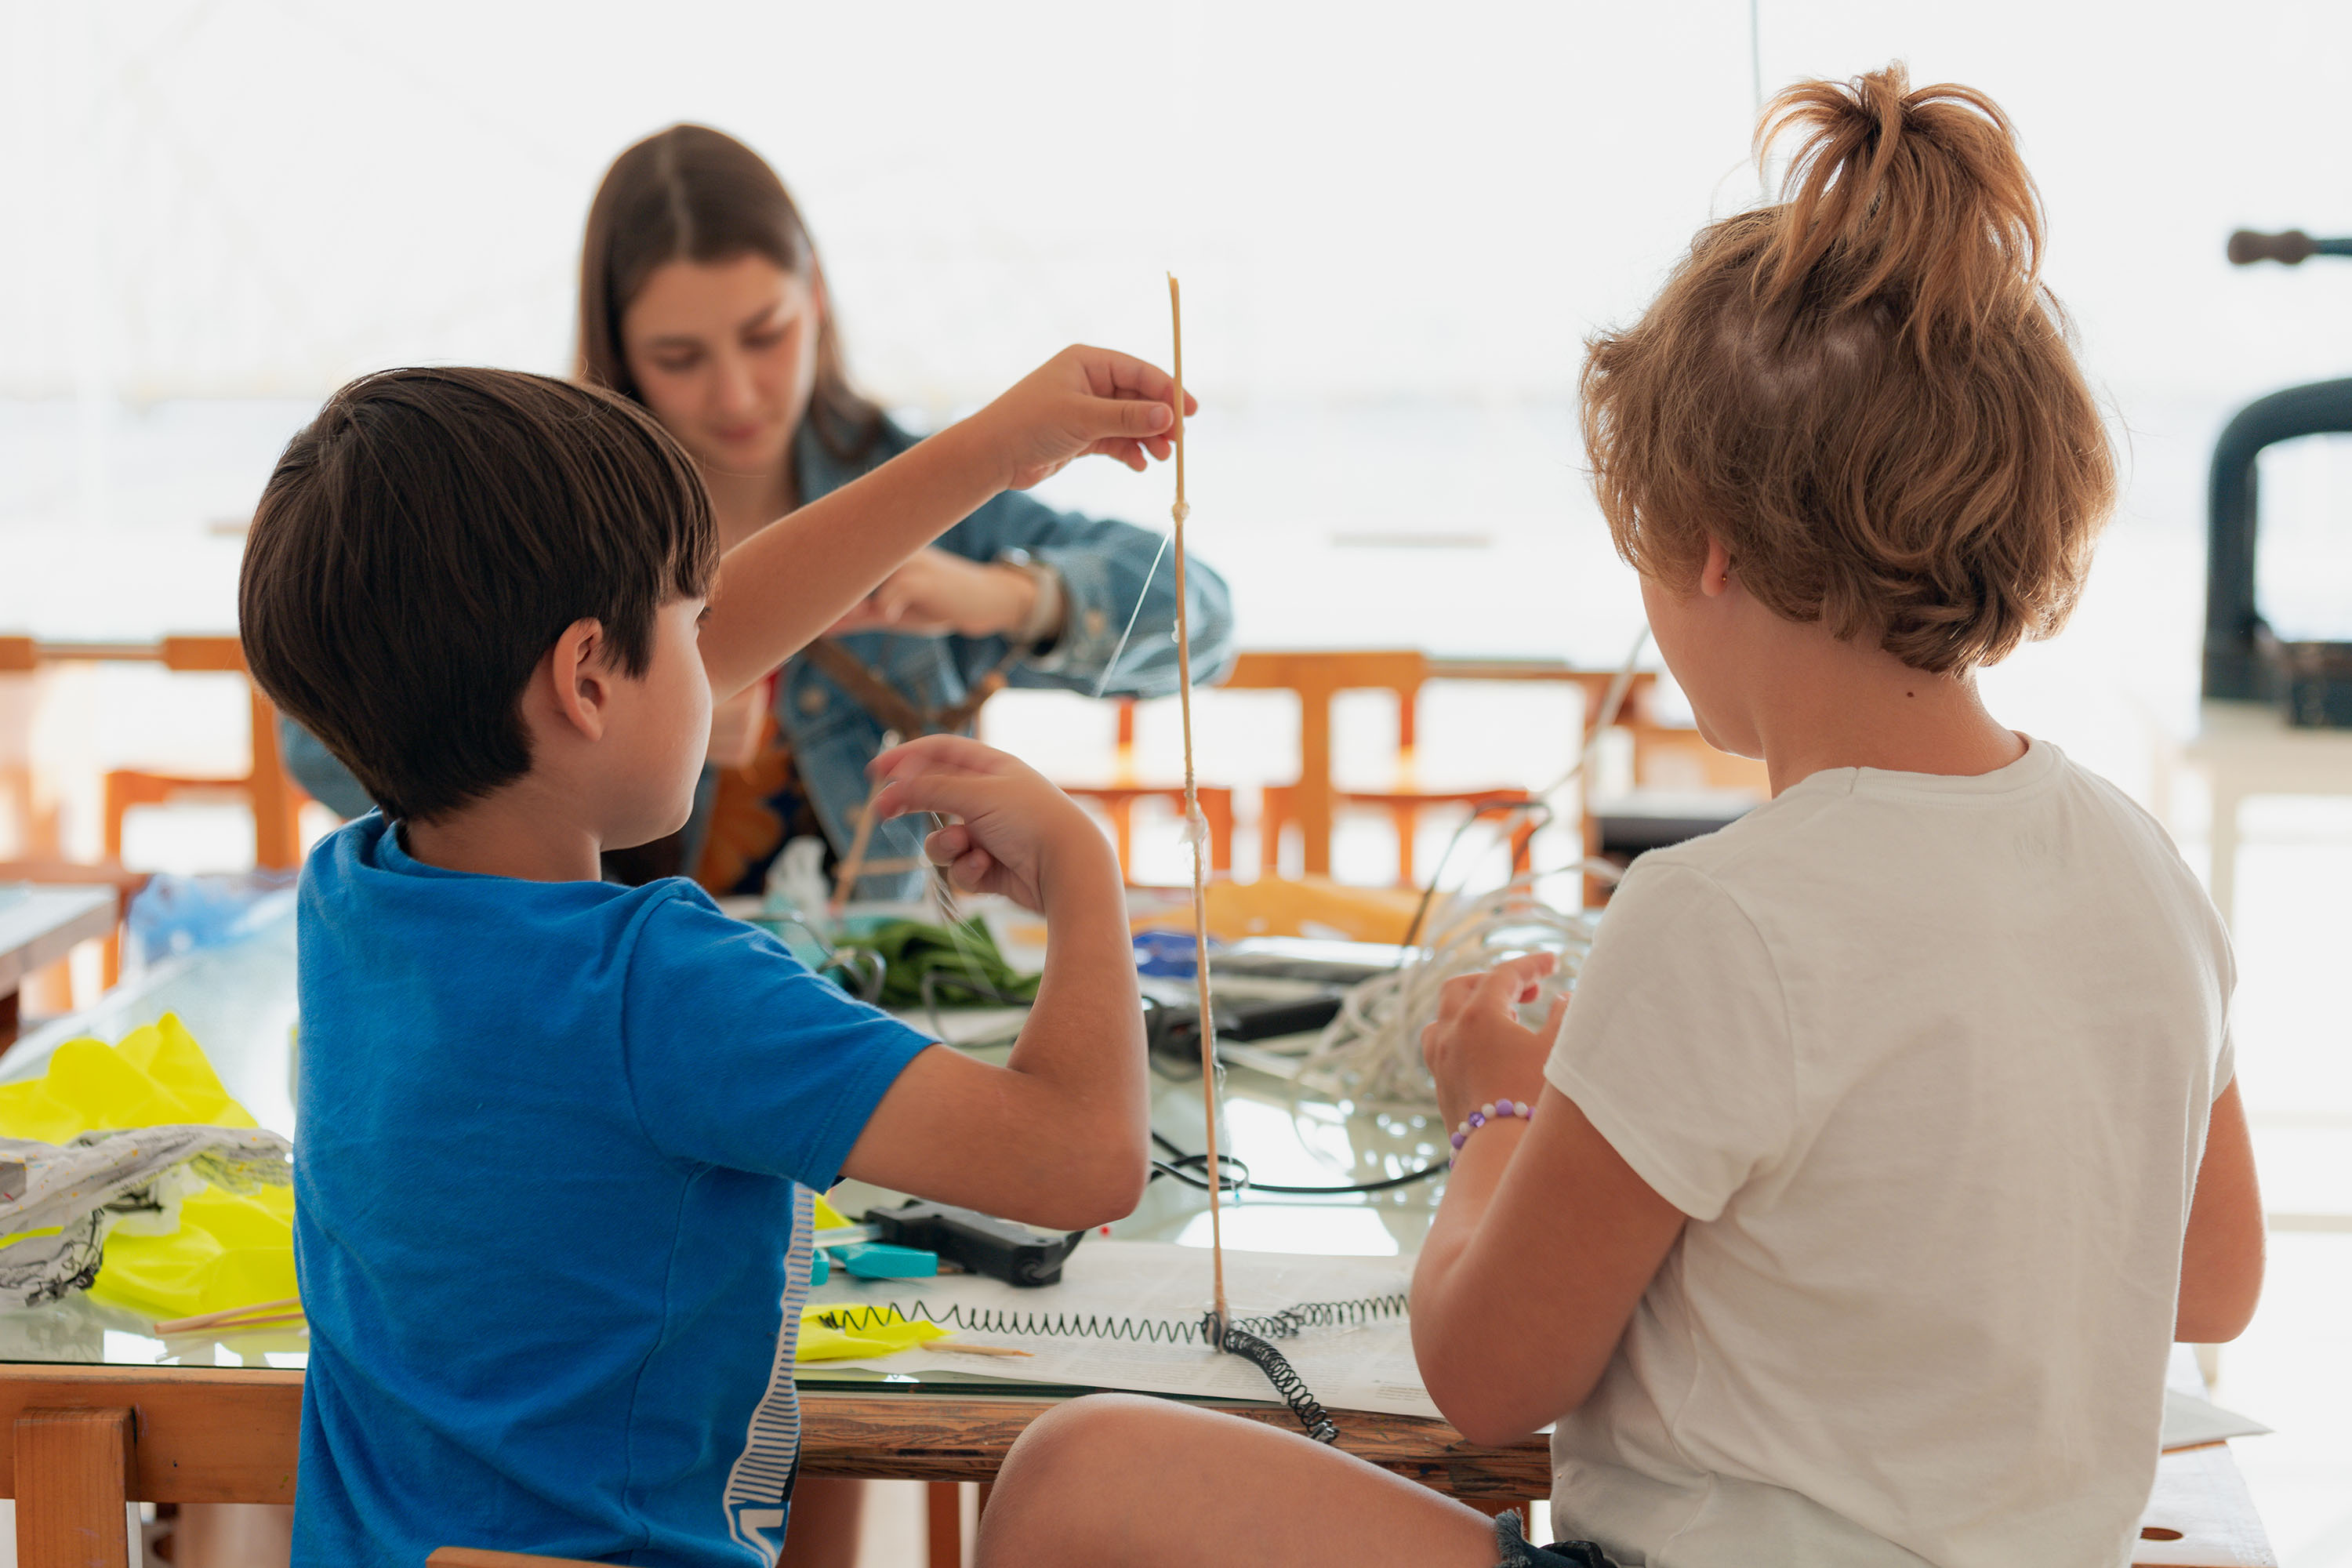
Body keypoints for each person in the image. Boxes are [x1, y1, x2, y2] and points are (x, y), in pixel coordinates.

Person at [966, 67, 2267, 1568]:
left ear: (1707, 551)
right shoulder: (2142, 867)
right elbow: (2213, 1285)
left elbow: (1490, 1375)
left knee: (1077, 1476)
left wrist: (1498, 1111)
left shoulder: (1721, 913)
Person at [238, 347, 1180, 1566]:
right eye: (693, 628)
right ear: (586, 678)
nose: (724, 652)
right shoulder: (662, 987)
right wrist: (1083, 872)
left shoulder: (352, 900)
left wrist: (988, 451)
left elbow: (637, 677)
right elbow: (1085, 1160)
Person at [281, 122, 1234, 899]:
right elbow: (331, 728)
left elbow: (1208, 623)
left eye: (764, 334)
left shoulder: (923, 493)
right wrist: (635, 741)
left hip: (895, 997)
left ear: (815, 299)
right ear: (617, 347)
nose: (737, 395)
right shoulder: (549, 523)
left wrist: (1008, 599)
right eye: (681, 356)